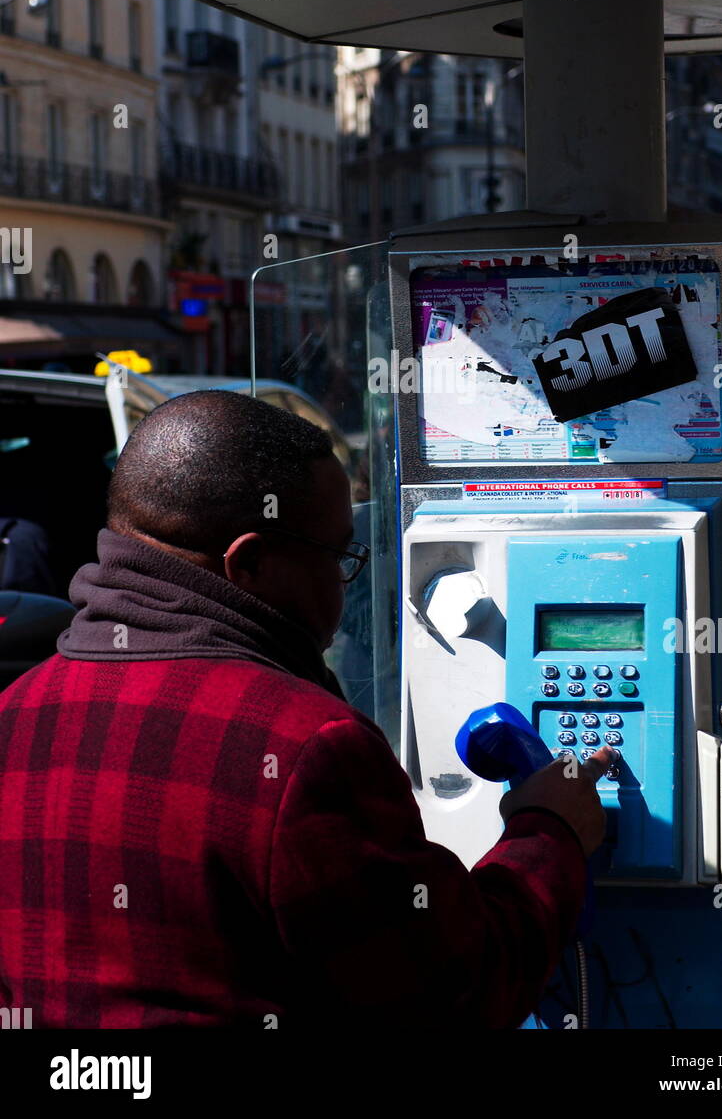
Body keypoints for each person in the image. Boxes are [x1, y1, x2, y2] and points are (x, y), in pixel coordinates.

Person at [0, 391, 608, 1028]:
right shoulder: (303, 745)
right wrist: (550, 832)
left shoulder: (15, 713)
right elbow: (456, 992)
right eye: (340, 557)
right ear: (252, 562)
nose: (344, 588)